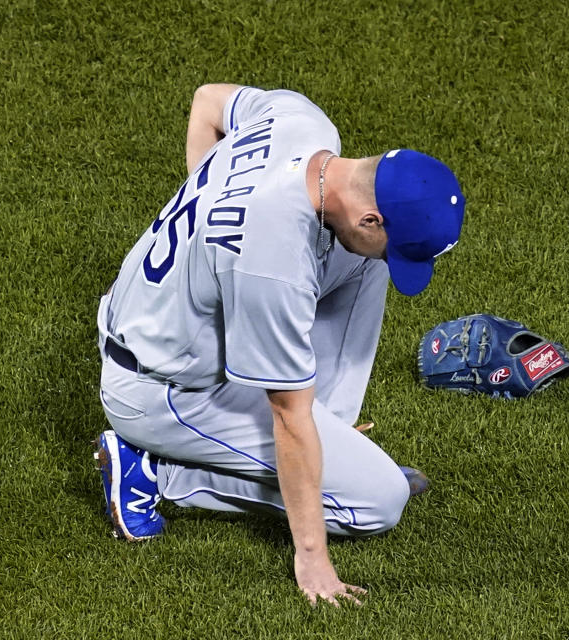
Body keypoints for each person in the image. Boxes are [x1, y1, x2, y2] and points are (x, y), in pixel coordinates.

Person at [93, 84, 465, 606]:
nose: (398, 258)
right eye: (396, 243)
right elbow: (288, 419)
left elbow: (206, 101)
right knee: (380, 501)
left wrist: (214, 226)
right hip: (161, 390)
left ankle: (333, 439)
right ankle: (160, 469)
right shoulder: (274, 261)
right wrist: (312, 557)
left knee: (366, 262)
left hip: (150, 318)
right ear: (370, 217)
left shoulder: (302, 121)